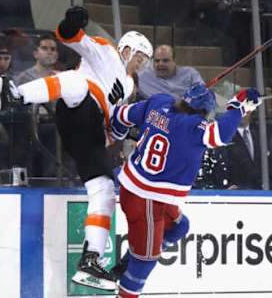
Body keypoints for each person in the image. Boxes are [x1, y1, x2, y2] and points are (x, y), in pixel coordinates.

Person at [0, 6, 153, 290]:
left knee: (103, 190)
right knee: (76, 82)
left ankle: (90, 260)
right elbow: (70, 36)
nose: (140, 63)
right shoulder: (107, 51)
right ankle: (14, 96)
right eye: (139, 56)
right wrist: (71, 22)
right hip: (77, 109)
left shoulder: (128, 87)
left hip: (90, 131)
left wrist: (125, 129)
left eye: (145, 61)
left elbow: (114, 127)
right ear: (126, 49)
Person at [109, 83, 261, 297]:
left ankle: (130, 259)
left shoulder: (158, 102)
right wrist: (238, 107)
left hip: (135, 188)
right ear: (202, 112)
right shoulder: (193, 127)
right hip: (148, 200)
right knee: (144, 264)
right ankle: (130, 276)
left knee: (180, 226)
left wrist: (116, 134)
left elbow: (120, 114)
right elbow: (221, 134)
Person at [138, 44, 204, 100]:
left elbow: (203, 94)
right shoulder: (143, 77)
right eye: (157, 61)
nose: (160, 64)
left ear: (174, 61)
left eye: (165, 61)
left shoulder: (190, 74)